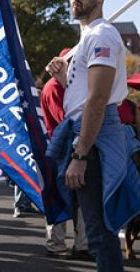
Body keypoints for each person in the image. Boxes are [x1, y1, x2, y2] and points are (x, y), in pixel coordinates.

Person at [45, 0, 140, 271]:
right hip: (87, 131)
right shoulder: (86, 39)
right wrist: (64, 80)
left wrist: (80, 153)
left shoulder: (101, 34)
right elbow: (84, 96)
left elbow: (99, 99)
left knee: (99, 234)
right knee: (97, 230)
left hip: (95, 137)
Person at [40, 48, 89, 260]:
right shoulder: (53, 87)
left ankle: (82, 244)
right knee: (59, 196)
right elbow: (68, 120)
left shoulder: (68, 85)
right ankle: (56, 243)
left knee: (81, 198)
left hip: (72, 147)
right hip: (60, 150)